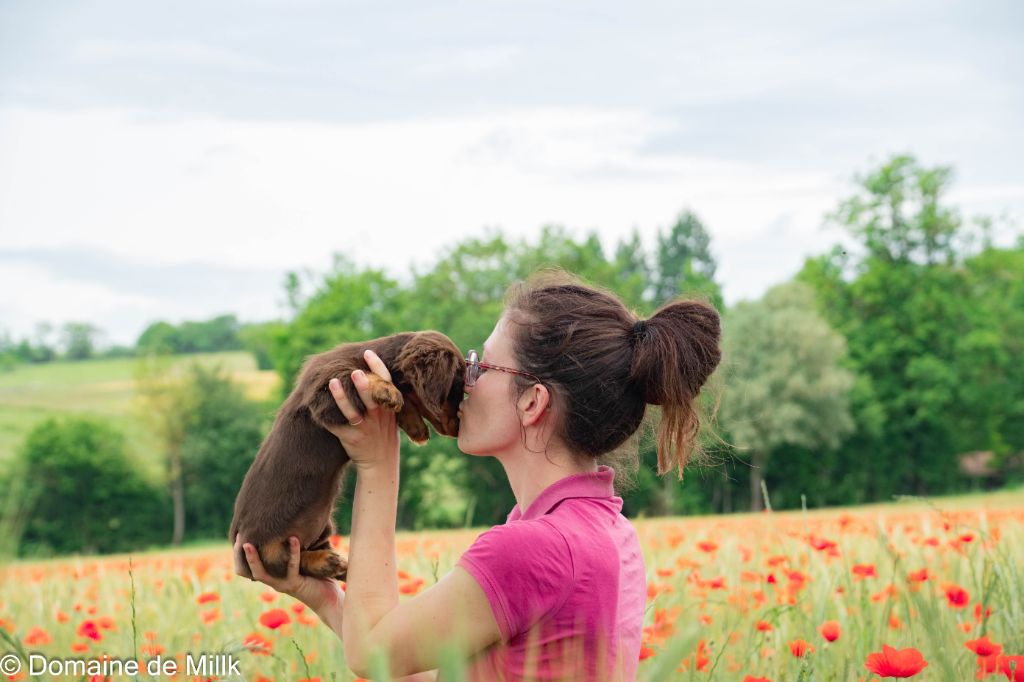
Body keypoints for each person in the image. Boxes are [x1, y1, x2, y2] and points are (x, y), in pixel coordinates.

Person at [233, 270, 722, 681]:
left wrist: (377, 466)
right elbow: (440, 669)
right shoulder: (606, 535)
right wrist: (324, 598)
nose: (465, 380)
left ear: (532, 402)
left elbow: (371, 654)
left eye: (481, 365)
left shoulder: (532, 548)